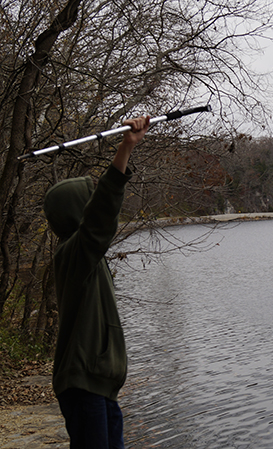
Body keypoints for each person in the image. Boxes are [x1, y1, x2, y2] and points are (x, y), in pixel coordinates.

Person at [44, 115, 150, 448]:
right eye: (87, 202)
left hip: (99, 386)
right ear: (77, 211)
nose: (93, 205)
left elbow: (98, 220)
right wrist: (126, 147)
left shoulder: (85, 256)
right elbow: (101, 214)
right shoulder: (74, 253)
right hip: (83, 385)